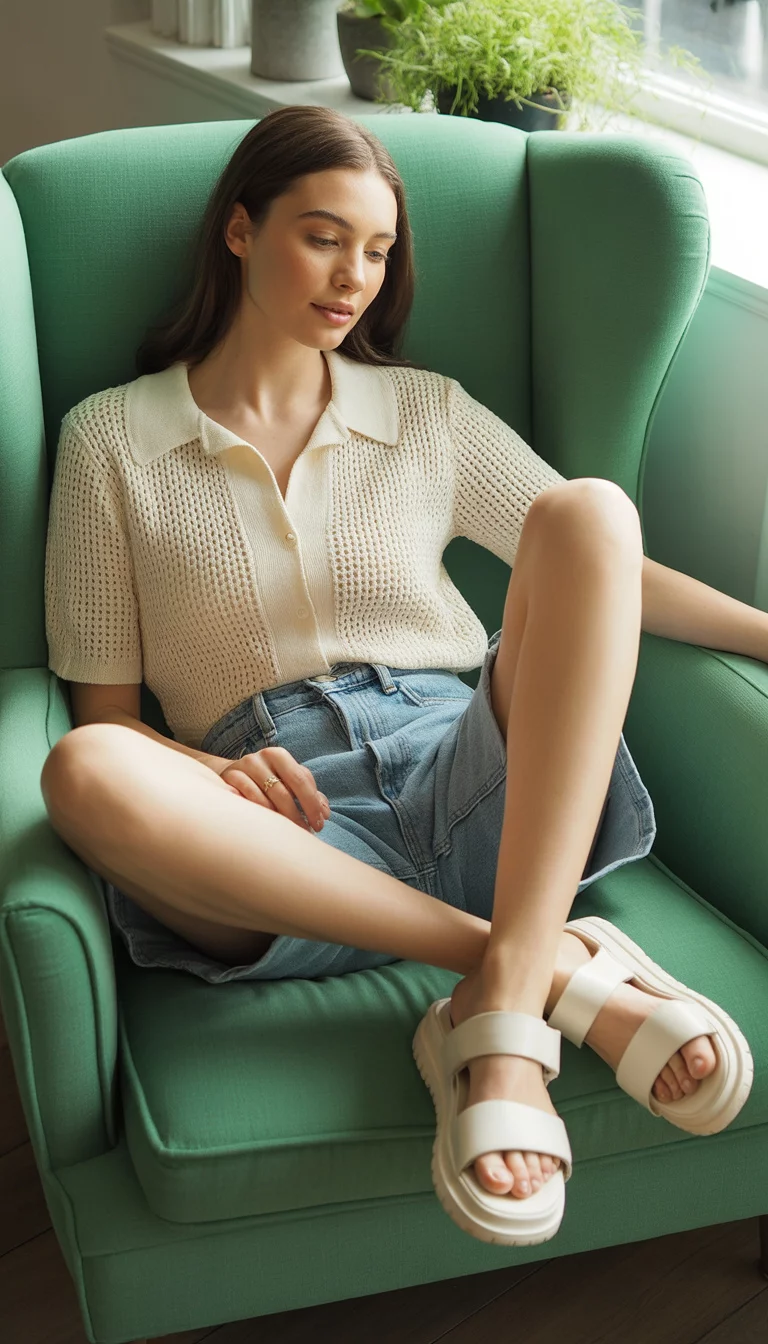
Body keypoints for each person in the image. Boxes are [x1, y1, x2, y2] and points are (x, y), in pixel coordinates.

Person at [40, 105, 751, 1247]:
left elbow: (606, 569)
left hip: (478, 777)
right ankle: (540, 968)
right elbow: (109, 720)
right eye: (323, 237)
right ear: (239, 229)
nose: (354, 278)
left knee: (589, 512)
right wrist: (207, 774)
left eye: (377, 251)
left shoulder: (424, 411)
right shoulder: (110, 441)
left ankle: (504, 998)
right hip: (290, 845)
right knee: (83, 768)